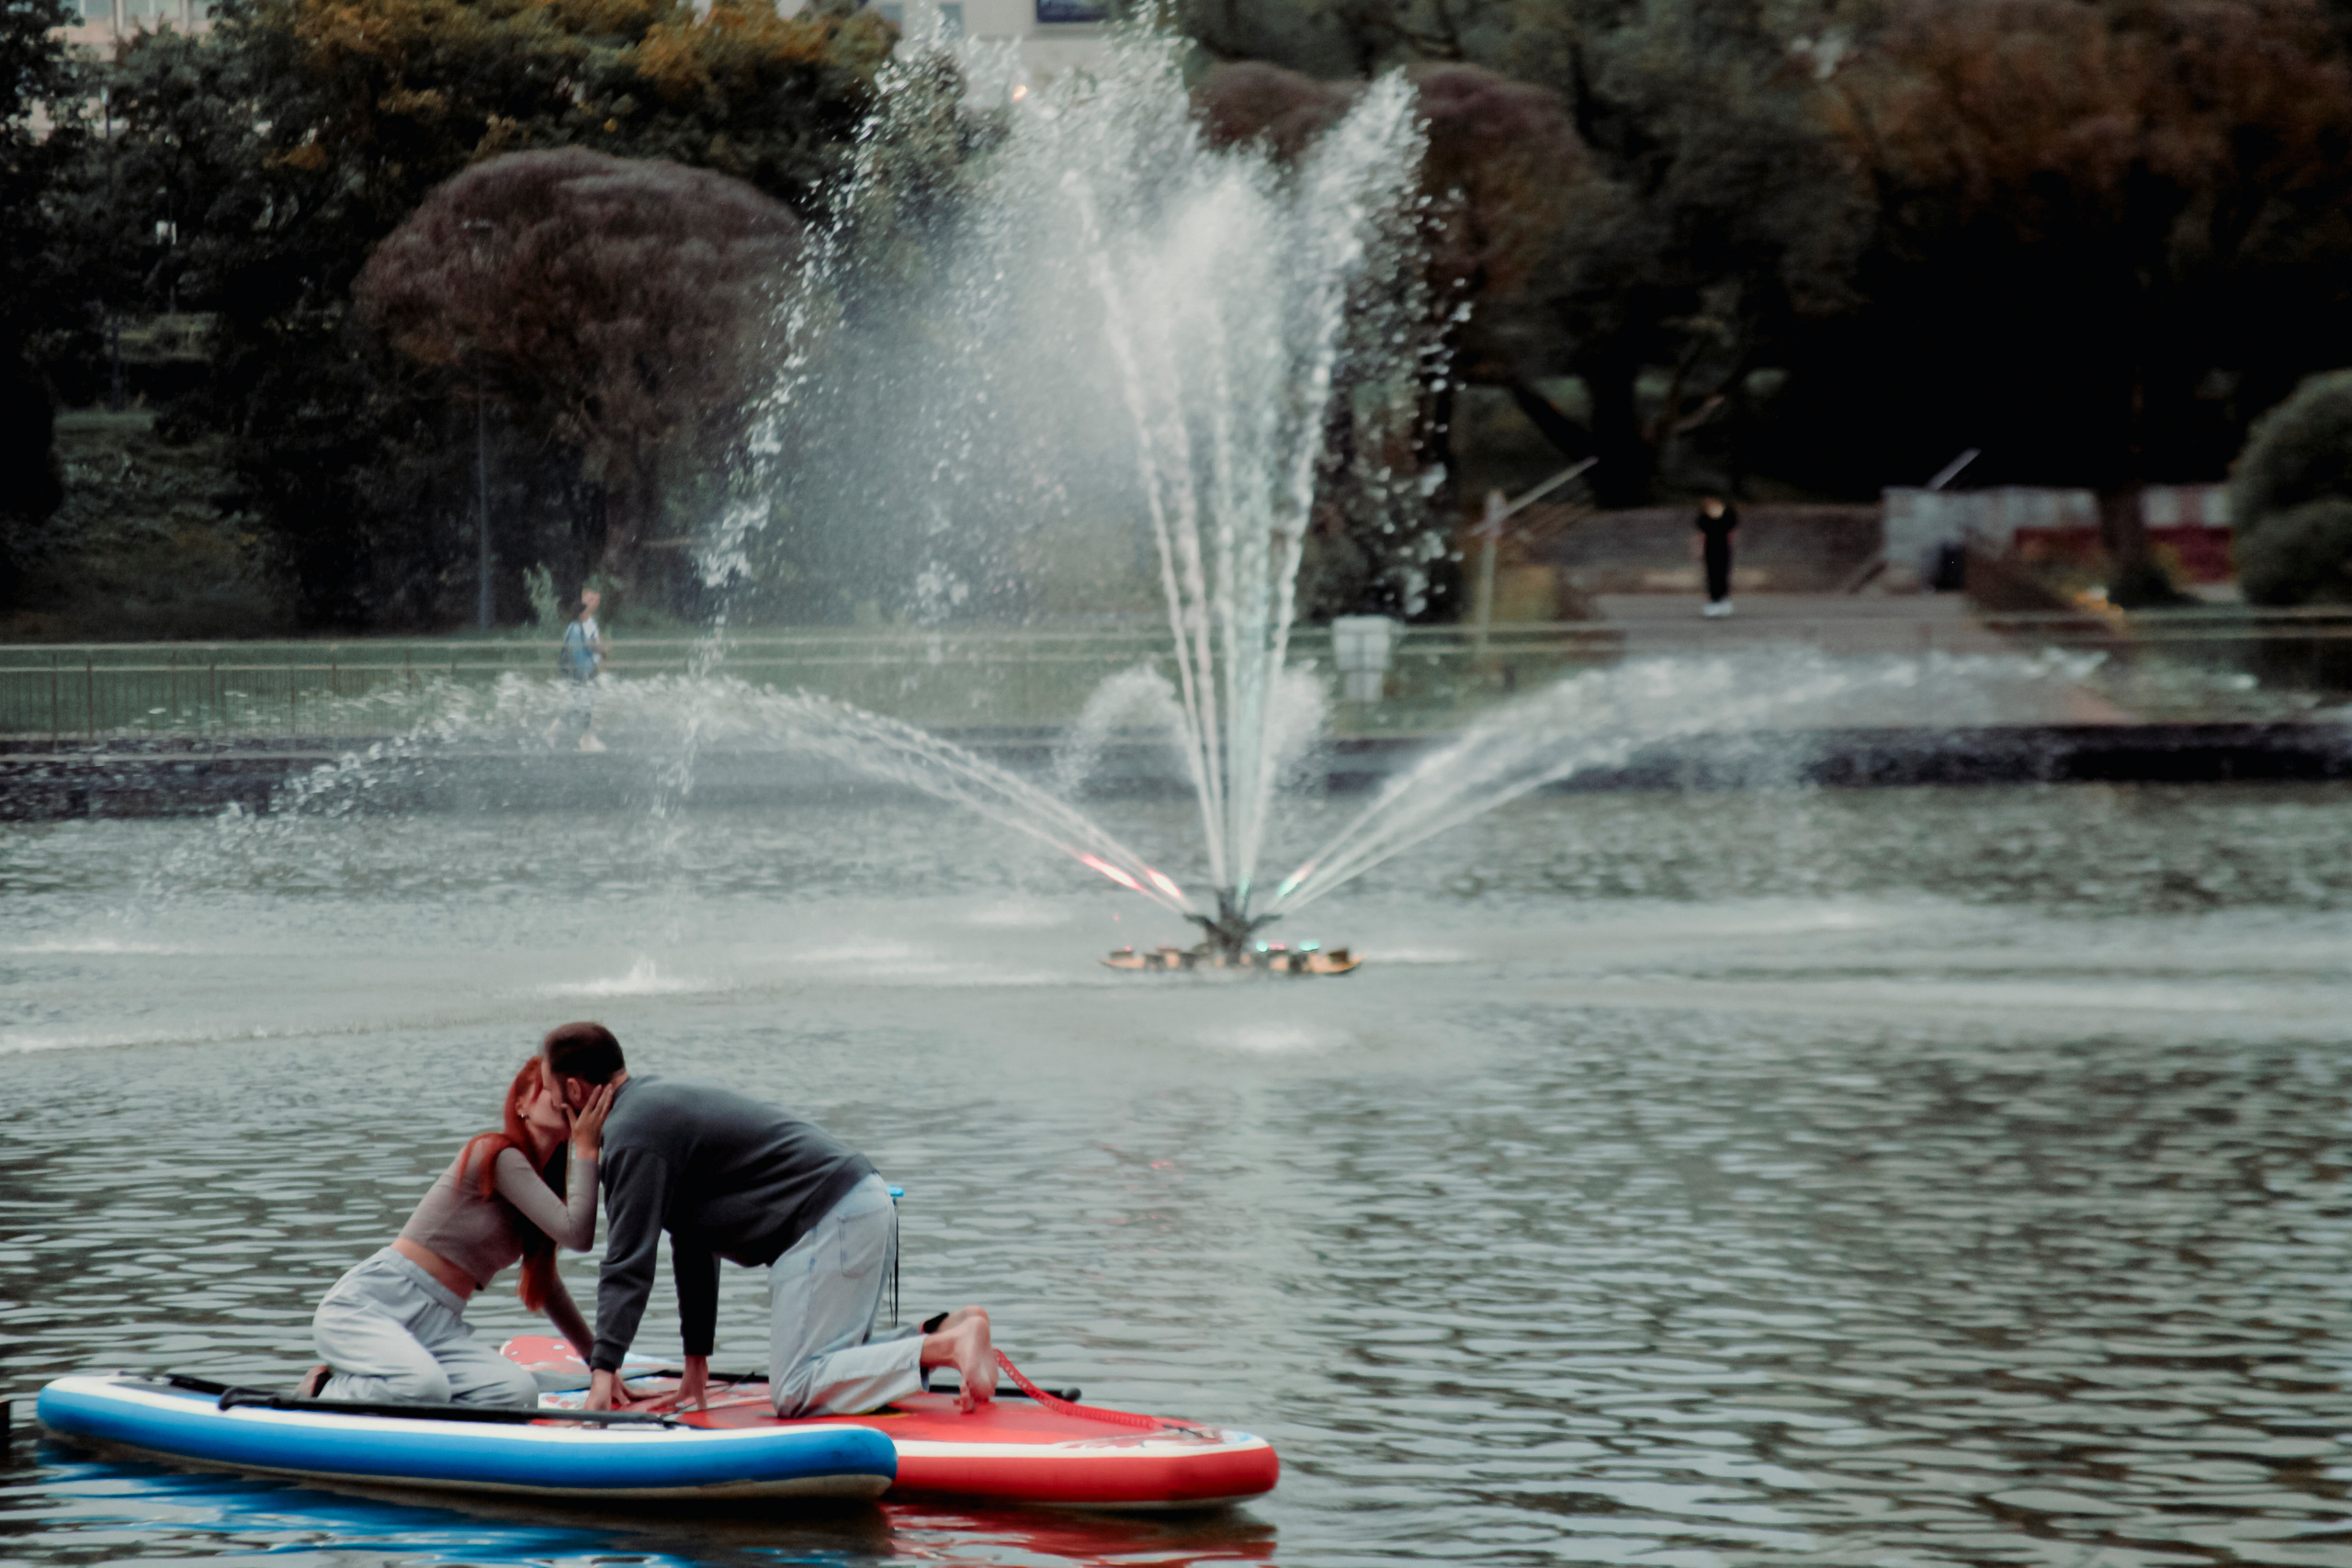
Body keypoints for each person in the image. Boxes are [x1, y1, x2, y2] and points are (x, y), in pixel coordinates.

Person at [536, 1021, 999, 1418]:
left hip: (826, 1219)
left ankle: (948, 1347)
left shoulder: (631, 1134)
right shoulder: (651, 1107)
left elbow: (627, 1263)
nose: (551, 1105)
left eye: (550, 1093)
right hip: (859, 1202)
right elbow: (693, 1241)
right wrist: (696, 1364)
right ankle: (945, 1331)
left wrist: (602, 1372)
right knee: (834, 1362)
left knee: (795, 1389)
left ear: (574, 1091)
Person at [298, 1060, 616, 1406]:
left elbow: (547, 1286)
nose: (558, 1098)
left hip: (440, 1325)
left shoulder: (538, 1190)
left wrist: (600, 1365)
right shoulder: (497, 1154)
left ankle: (409, 1401)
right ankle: (323, 1390)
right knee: (422, 1387)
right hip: (374, 1303)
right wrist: (588, 1149)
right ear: (520, 1104)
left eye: (566, 1091)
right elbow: (577, 1235)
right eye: (546, 1088)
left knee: (517, 1394)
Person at [548, 588, 607, 752]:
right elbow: (581, 652)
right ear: (581, 615)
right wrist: (592, 667)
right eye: (585, 612)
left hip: (574, 673)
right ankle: (582, 740)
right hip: (576, 673)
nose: (587, 614)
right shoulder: (575, 629)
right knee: (584, 705)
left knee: (581, 706)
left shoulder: (575, 628)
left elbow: (587, 645)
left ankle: (558, 733)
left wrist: (599, 651)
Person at [1692, 496, 1739, 617]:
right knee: (1711, 575)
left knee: (1723, 574)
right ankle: (1713, 600)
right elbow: (1701, 534)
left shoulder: (1727, 517)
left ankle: (1723, 599)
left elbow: (1731, 531)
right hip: (1710, 549)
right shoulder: (1704, 518)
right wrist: (1698, 549)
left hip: (1724, 549)